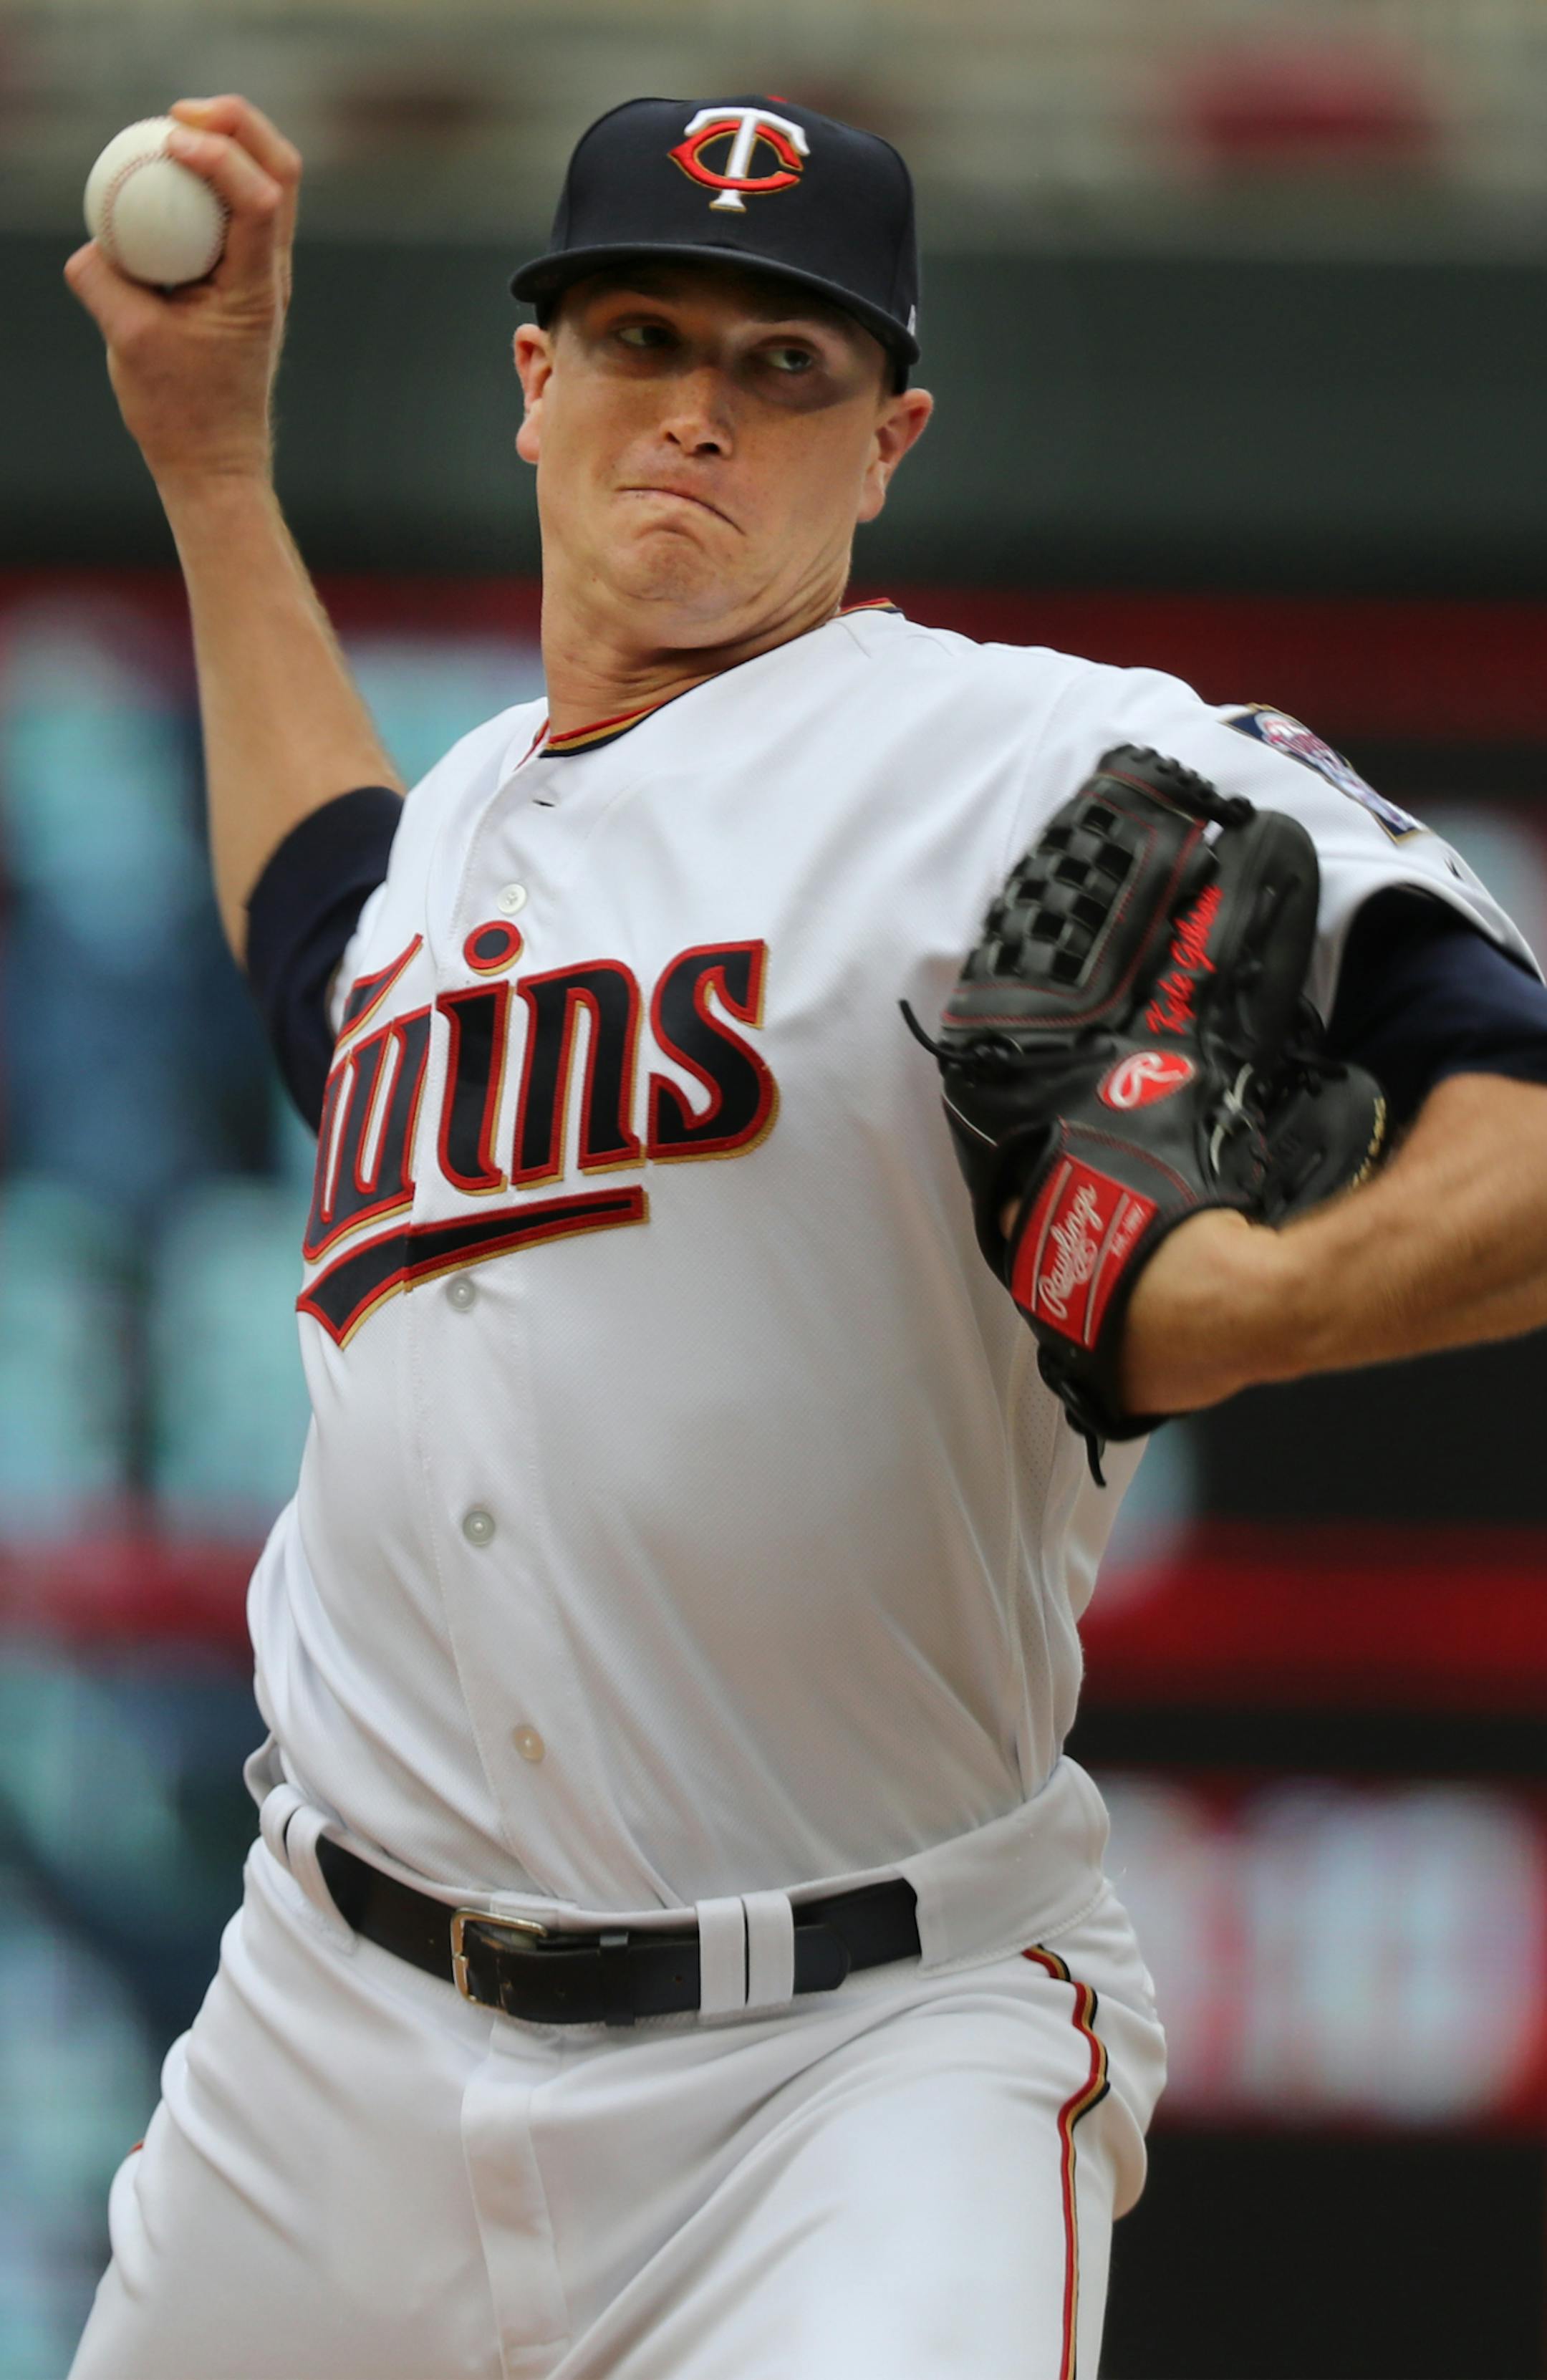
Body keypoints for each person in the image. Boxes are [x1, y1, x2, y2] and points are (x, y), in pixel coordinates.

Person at [63, 90, 1547, 2380]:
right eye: (644, 336)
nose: (702, 409)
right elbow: (316, 941)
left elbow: (1514, 1104)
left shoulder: (1029, 758)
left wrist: (1248, 1299)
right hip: (330, 2040)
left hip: (854, 2060)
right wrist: (210, 466)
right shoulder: (461, 825)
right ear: (536, 379)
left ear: (889, 443)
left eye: (786, 364)